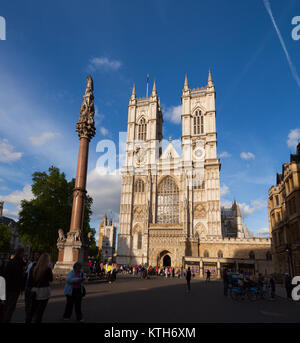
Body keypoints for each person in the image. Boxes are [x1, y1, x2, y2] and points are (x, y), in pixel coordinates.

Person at [26, 253, 53, 323]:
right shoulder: (48, 269)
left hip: (34, 290)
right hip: (44, 290)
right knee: (40, 311)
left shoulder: (34, 267)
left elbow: (30, 280)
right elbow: (51, 279)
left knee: (32, 310)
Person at [3, 246, 26, 323]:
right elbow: (21, 276)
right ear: (21, 253)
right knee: (11, 307)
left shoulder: (11, 261)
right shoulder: (20, 263)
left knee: (6, 305)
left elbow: (5, 274)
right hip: (15, 288)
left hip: (7, 286)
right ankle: (6, 320)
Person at [24, 251, 41, 322]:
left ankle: (32, 317)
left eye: (37, 255)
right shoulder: (31, 264)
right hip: (28, 286)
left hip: (36, 287)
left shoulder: (41, 266)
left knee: (34, 306)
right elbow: (27, 274)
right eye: (35, 255)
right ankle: (29, 317)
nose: (36, 256)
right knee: (28, 305)